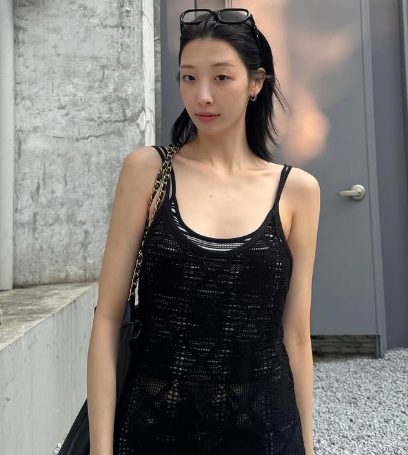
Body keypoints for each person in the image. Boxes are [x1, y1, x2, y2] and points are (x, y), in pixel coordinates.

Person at [87, 8, 320, 455]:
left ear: (256, 83)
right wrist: (101, 449)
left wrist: (308, 447)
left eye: (221, 77)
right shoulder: (147, 171)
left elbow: (295, 336)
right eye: (189, 78)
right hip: (153, 430)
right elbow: (108, 319)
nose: (203, 95)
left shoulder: (297, 191)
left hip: (265, 434)